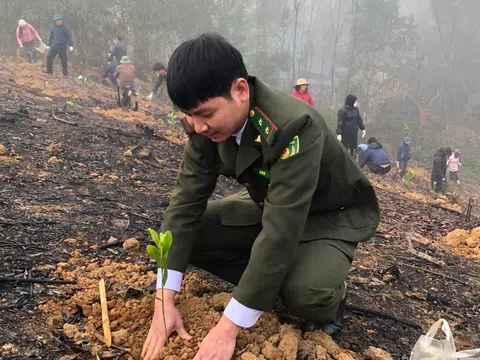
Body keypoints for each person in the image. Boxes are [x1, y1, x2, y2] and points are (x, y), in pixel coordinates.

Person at [141, 33, 380, 360]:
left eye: (206, 115)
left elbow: (282, 230)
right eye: (189, 116)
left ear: (240, 90)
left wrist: (228, 328)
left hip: (326, 215)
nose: (198, 128)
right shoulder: (201, 123)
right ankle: (264, 283)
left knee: (306, 296)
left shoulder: (293, 126)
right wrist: (163, 301)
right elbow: (184, 205)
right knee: (180, 237)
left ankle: (326, 296)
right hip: (267, 203)